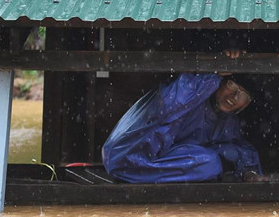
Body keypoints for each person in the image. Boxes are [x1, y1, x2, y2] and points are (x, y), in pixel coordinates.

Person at [102, 71, 264, 183]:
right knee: (211, 163)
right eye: (232, 86)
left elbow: (234, 147)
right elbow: (172, 105)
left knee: (211, 161)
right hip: (126, 158)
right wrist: (214, 73)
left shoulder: (227, 120)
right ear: (219, 82)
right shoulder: (186, 94)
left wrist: (248, 170)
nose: (234, 97)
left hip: (155, 166)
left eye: (243, 96)